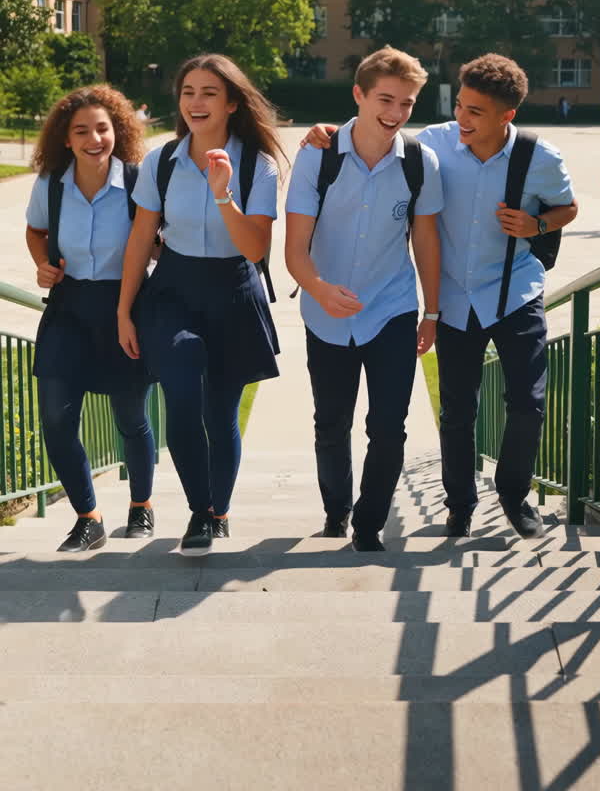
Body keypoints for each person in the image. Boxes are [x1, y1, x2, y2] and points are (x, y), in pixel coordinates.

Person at [301, 52, 578, 541]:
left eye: (475, 111)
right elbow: (376, 130)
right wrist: (325, 131)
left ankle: (513, 493)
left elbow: (567, 207)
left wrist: (538, 223)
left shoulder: (540, 158)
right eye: (461, 106)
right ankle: (460, 505)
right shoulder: (431, 146)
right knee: (457, 410)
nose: (461, 118)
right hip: (452, 297)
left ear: (506, 115)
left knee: (530, 401)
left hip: (513, 289)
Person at [117, 54, 282, 554]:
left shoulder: (258, 165)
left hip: (234, 289)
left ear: (232, 103)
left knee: (221, 412)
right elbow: (141, 238)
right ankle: (199, 512)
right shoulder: (160, 161)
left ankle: (219, 510)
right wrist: (125, 310)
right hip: (173, 291)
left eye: (209, 92)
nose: (196, 102)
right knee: (182, 398)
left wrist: (223, 193)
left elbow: (255, 250)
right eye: (188, 91)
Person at [285, 47, 443, 553]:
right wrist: (319, 289)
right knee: (331, 422)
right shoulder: (318, 154)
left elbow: (425, 242)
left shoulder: (421, 161)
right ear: (358, 94)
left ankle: (369, 523)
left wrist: (431, 311)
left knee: (388, 426)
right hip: (324, 310)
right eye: (385, 99)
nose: (396, 114)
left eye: (408, 103)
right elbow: (292, 249)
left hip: (391, 308)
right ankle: (337, 509)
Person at [25, 86, 155, 552]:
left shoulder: (140, 181)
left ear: (116, 131)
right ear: (66, 139)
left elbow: (156, 241)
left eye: (102, 128)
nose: (93, 138)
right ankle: (88, 517)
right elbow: (35, 231)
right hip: (68, 309)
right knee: (57, 421)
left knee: (130, 417)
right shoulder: (51, 185)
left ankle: (141, 506)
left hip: (126, 309)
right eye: (81, 131)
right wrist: (42, 263)